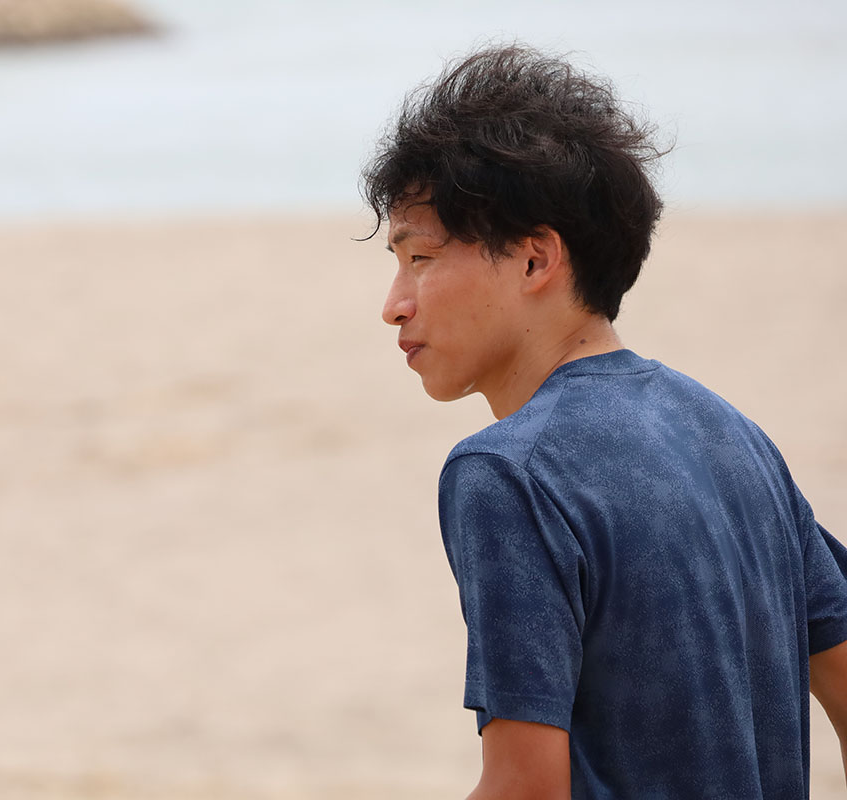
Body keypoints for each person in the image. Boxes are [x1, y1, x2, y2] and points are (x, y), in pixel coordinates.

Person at [362, 44, 847, 799]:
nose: (394, 303)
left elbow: (526, 788)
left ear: (534, 260)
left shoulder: (507, 472)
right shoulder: (733, 435)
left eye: (419, 257)